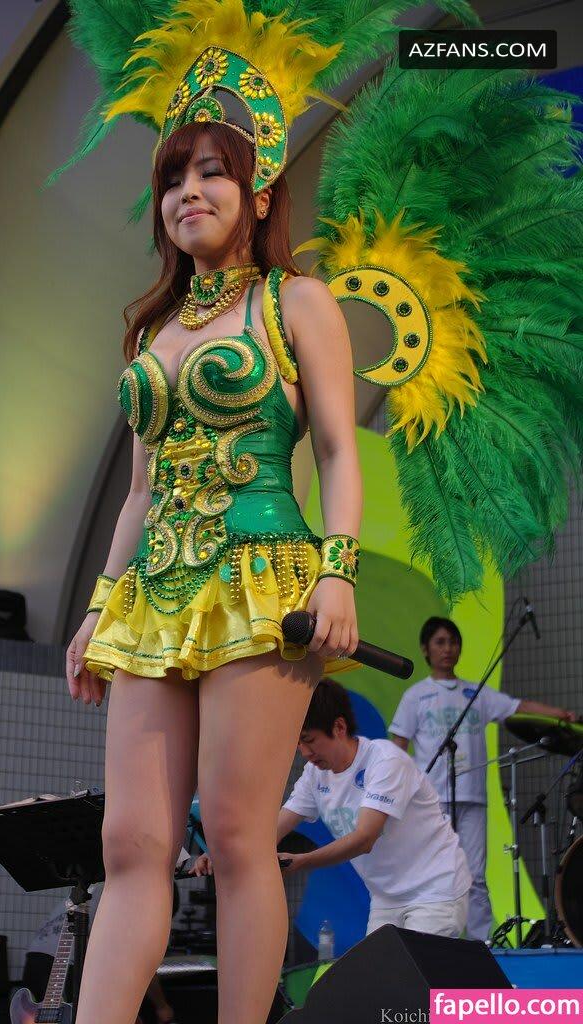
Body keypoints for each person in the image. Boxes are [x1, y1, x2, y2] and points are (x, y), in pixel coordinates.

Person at [61, 18, 364, 1023]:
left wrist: (337, 571)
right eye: (172, 178)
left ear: (259, 192)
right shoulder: (150, 330)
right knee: (131, 844)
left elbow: (336, 451)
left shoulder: (295, 302)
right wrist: (98, 607)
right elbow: (137, 492)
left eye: (211, 172)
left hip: (262, 578)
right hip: (154, 591)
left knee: (236, 838)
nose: (187, 192)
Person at [194, 680, 472, 939]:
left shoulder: (386, 761)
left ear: (339, 727)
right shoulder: (314, 775)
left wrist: (302, 861)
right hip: (386, 899)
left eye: (309, 739)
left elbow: (364, 839)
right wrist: (222, 853)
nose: (305, 752)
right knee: (382, 973)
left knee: (415, 972)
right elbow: (274, 829)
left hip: (436, 891)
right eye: (298, 743)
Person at [389, 616, 578, 941]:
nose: (448, 649)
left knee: (475, 876)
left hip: (473, 798)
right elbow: (398, 747)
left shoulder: (475, 693)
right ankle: (434, 941)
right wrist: (400, 791)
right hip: (432, 800)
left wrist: (559, 714)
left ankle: (481, 944)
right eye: (440, 642)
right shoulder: (415, 696)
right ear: (425, 649)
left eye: (453, 642)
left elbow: (518, 706)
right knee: (434, 874)